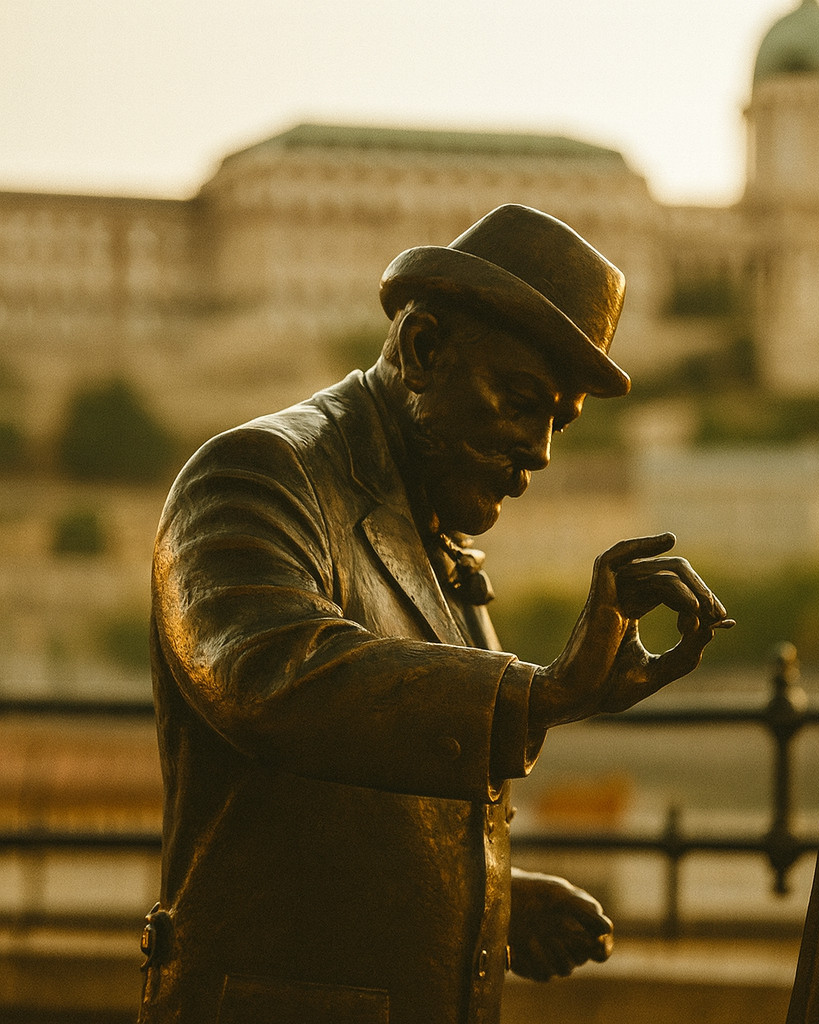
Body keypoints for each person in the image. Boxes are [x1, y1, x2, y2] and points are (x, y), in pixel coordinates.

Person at [140, 204, 730, 1024]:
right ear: (422, 350)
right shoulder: (260, 473)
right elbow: (270, 679)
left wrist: (483, 894)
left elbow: (334, 790)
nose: (541, 451)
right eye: (523, 401)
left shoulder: (430, 527)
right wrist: (544, 691)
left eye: (557, 421)